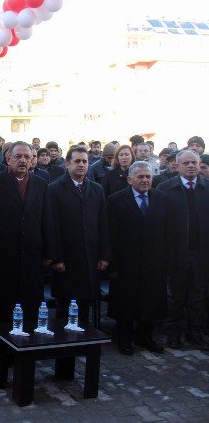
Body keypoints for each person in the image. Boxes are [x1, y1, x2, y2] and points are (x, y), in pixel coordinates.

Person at [0, 142, 55, 323]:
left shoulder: (41, 184)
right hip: (2, 255)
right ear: (8, 159)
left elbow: (46, 219)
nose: (22, 161)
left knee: (30, 304)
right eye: (18, 157)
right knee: (3, 306)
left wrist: (49, 251)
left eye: (27, 157)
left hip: (31, 254)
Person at [107, 161, 172, 355]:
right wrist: (113, 264)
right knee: (126, 302)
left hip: (154, 261)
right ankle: (124, 339)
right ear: (130, 179)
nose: (145, 180)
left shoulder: (162, 199)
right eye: (140, 177)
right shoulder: (116, 200)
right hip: (126, 262)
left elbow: (168, 231)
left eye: (148, 177)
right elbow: (111, 234)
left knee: (150, 300)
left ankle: (145, 337)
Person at [49, 145, 110, 325]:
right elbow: (52, 227)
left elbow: (103, 224)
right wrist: (56, 258)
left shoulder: (97, 190)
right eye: (77, 161)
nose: (81, 165)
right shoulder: (54, 189)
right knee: (65, 307)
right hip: (66, 260)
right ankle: (65, 352)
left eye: (85, 161)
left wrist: (104, 255)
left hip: (89, 258)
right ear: (67, 164)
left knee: (84, 306)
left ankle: (84, 345)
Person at [158, 150, 209, 350]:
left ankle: (195, 333)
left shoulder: (207, 188)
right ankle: (173, 334)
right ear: (177, 166)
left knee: (198, 296)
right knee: (175, 297)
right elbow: (159, 223)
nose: (190, 166)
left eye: (194, 163)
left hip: (201, 253)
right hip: (175, 253)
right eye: (186, 163)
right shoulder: (165, 188)